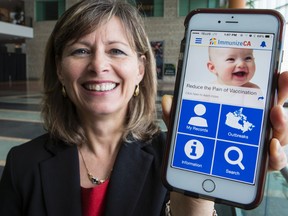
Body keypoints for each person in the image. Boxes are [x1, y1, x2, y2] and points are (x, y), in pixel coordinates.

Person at [0, 0, 287, 215]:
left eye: (116, 50)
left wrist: (196, 198)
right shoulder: (22, 164)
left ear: (140, 69)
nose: (99, 65)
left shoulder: (177, 158)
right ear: (60, 70)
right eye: (80, 50)